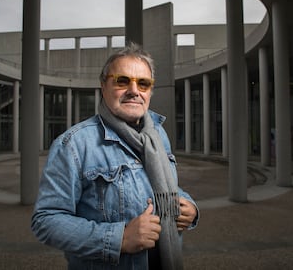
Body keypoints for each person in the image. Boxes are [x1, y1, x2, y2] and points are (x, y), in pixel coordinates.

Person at [31, 42, 199, 270]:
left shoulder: (157, 133)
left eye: (143, 83)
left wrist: (187, 204)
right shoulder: (73, 145)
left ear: (150, 90)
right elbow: (46, 220)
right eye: (122, 81)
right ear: (104, 86)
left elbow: (158, 185)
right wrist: (118, 238)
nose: (134, 90)